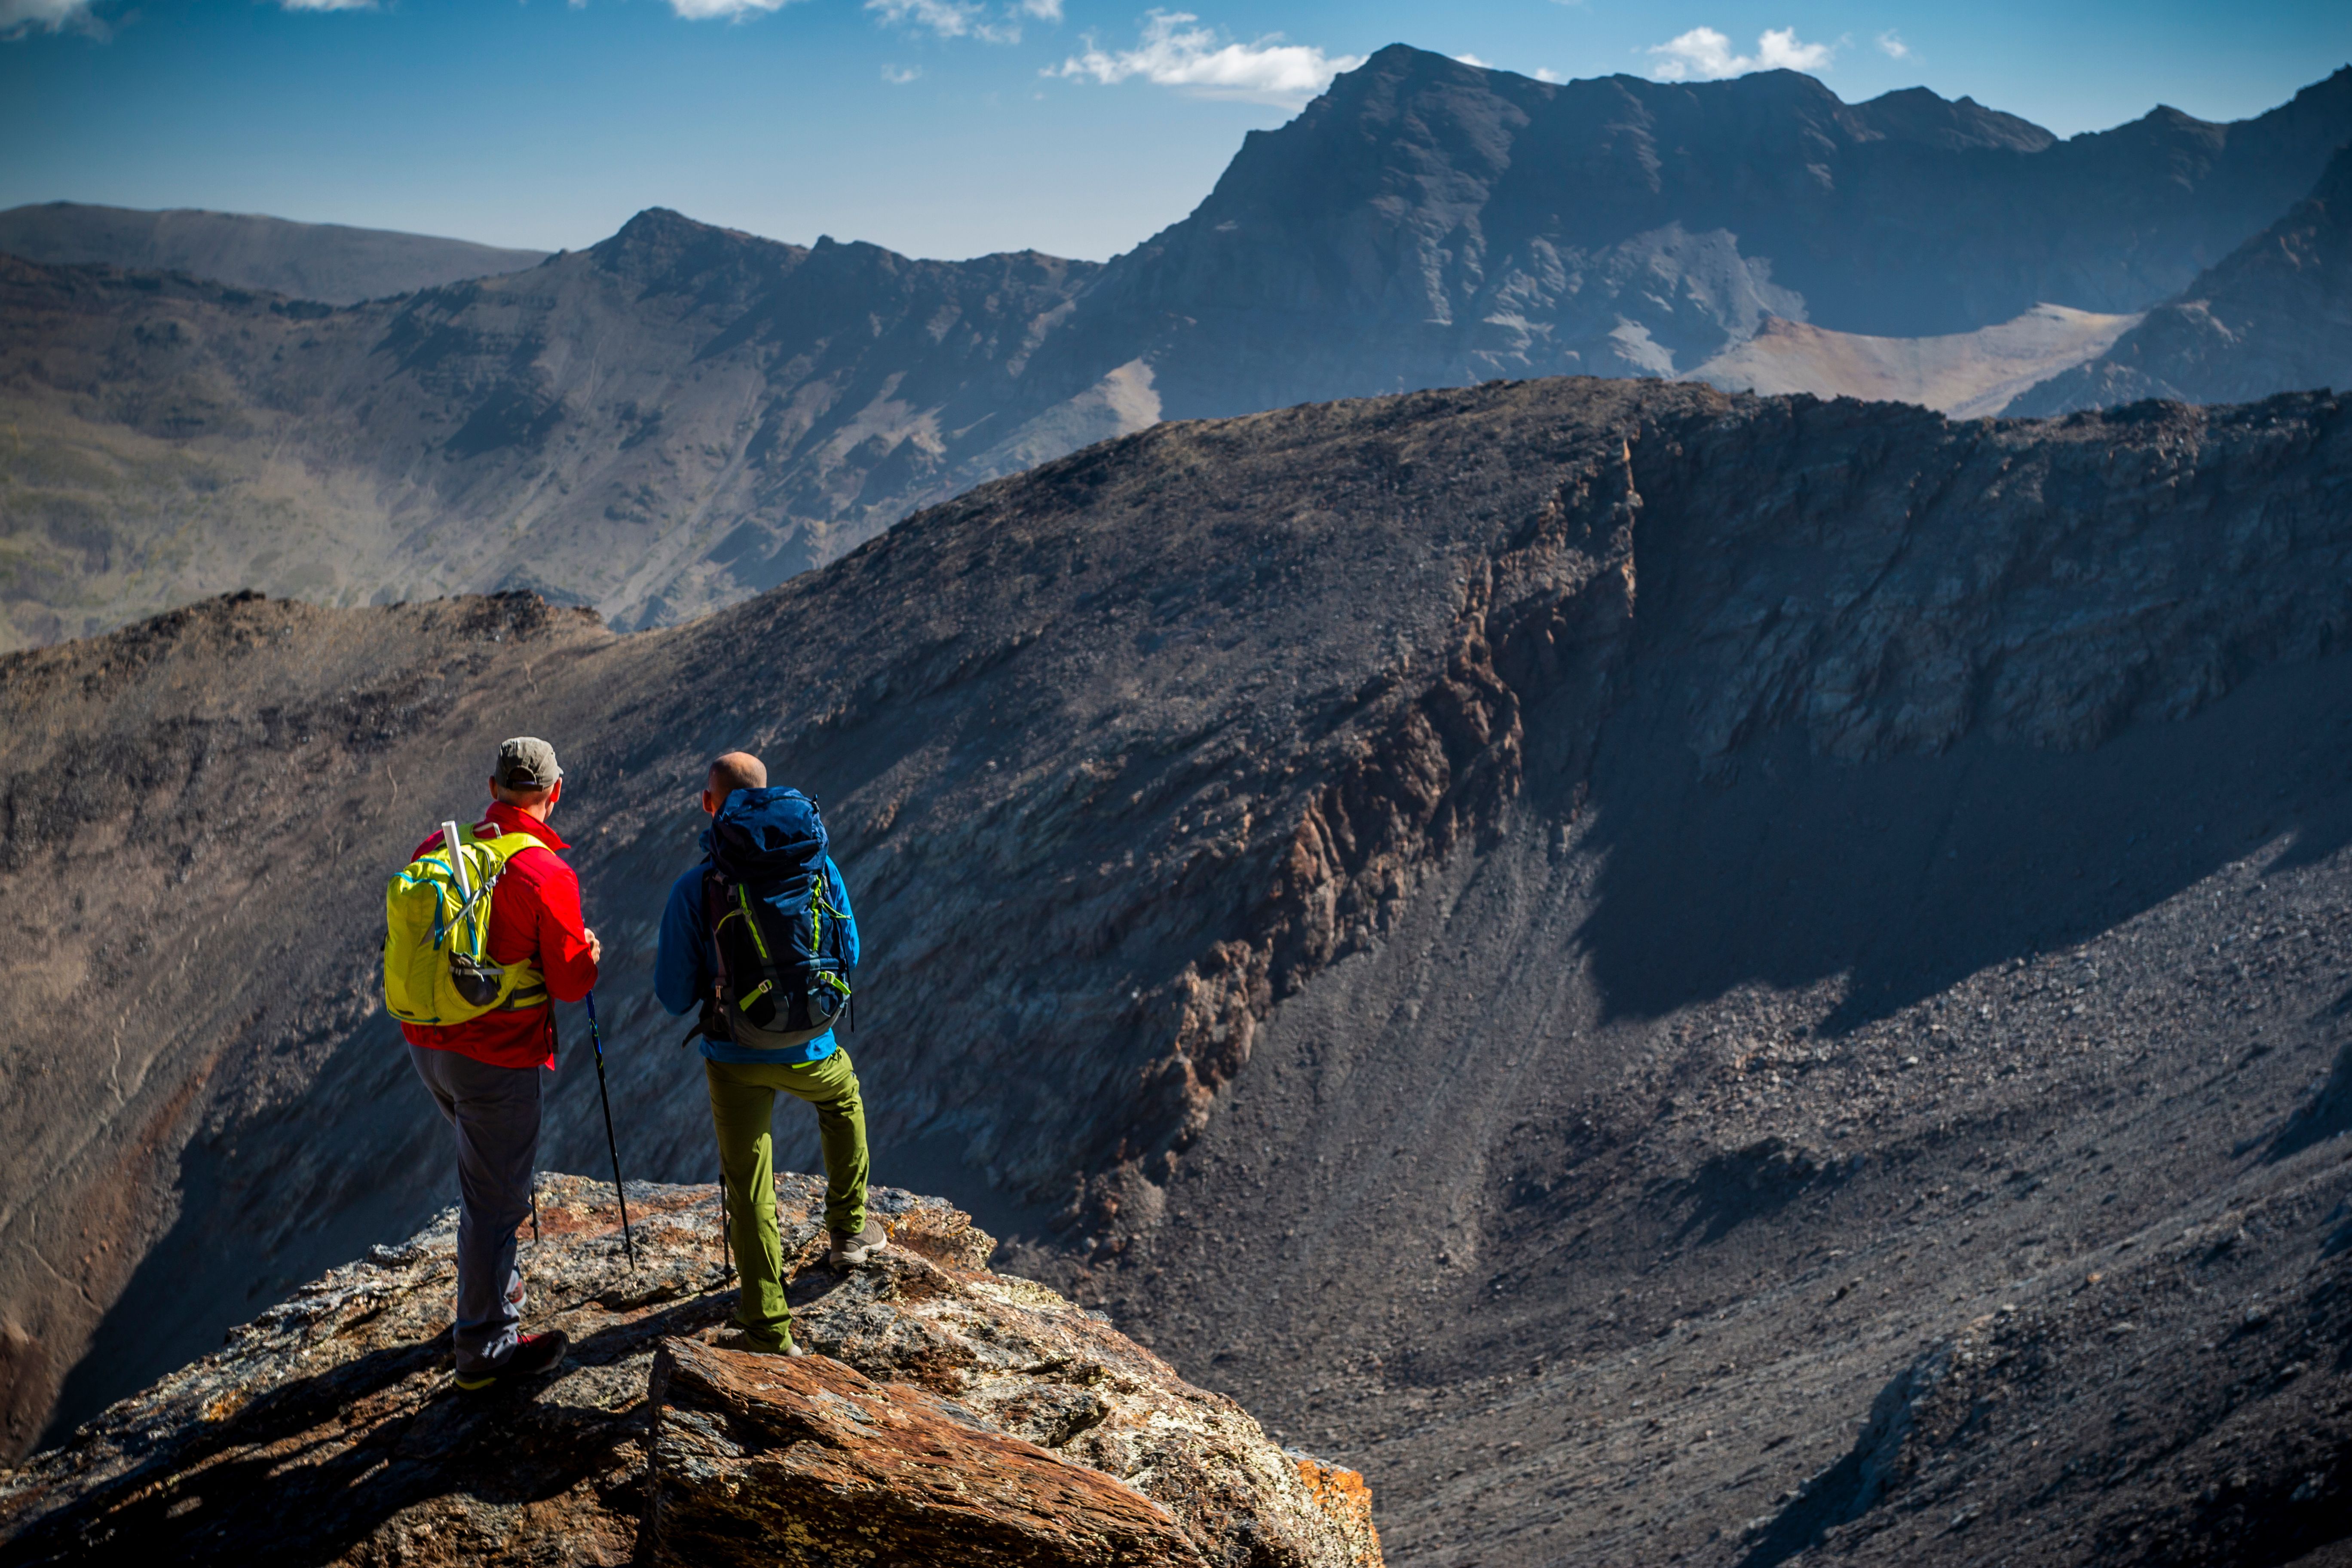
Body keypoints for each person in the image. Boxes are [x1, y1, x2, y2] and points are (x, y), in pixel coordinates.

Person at [655, 751, 883, 1357]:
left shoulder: (697, 887)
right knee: (843, 1102)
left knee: (750, 1182)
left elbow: (674, 995)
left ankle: (768, 1329)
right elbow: (850, 955)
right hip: (813, 1045)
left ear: (712, 807)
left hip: (734, 1055)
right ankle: (850, 1231)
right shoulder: (818, 868)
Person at [403, 736, 602, 1391]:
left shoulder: (438, 849)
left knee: (482, 1185)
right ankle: (485, 1349)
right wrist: (589, 954)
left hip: (429, 1044)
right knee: (495, 1201)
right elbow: (571, 983)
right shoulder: (545, 873)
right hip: (496, 1057)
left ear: (492, 790)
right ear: (556, 792)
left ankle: (490, 1299)